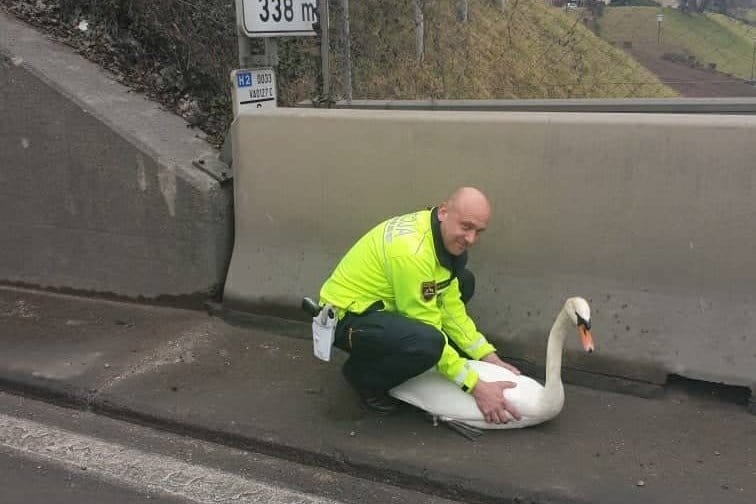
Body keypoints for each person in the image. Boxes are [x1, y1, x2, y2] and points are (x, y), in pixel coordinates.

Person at [318, 187, 522, 424]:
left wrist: (488, 356)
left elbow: (449, 307)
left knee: (463, 282)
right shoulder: (412, 253)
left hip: (383, 307)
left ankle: (424, 356)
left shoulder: (442, 239)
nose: (471, 239)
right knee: (428, 343)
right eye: (466, 227)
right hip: (345, 318)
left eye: (479, 231)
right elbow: (428, 324)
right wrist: (476, 386)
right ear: (444, 211)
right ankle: (363, 376)